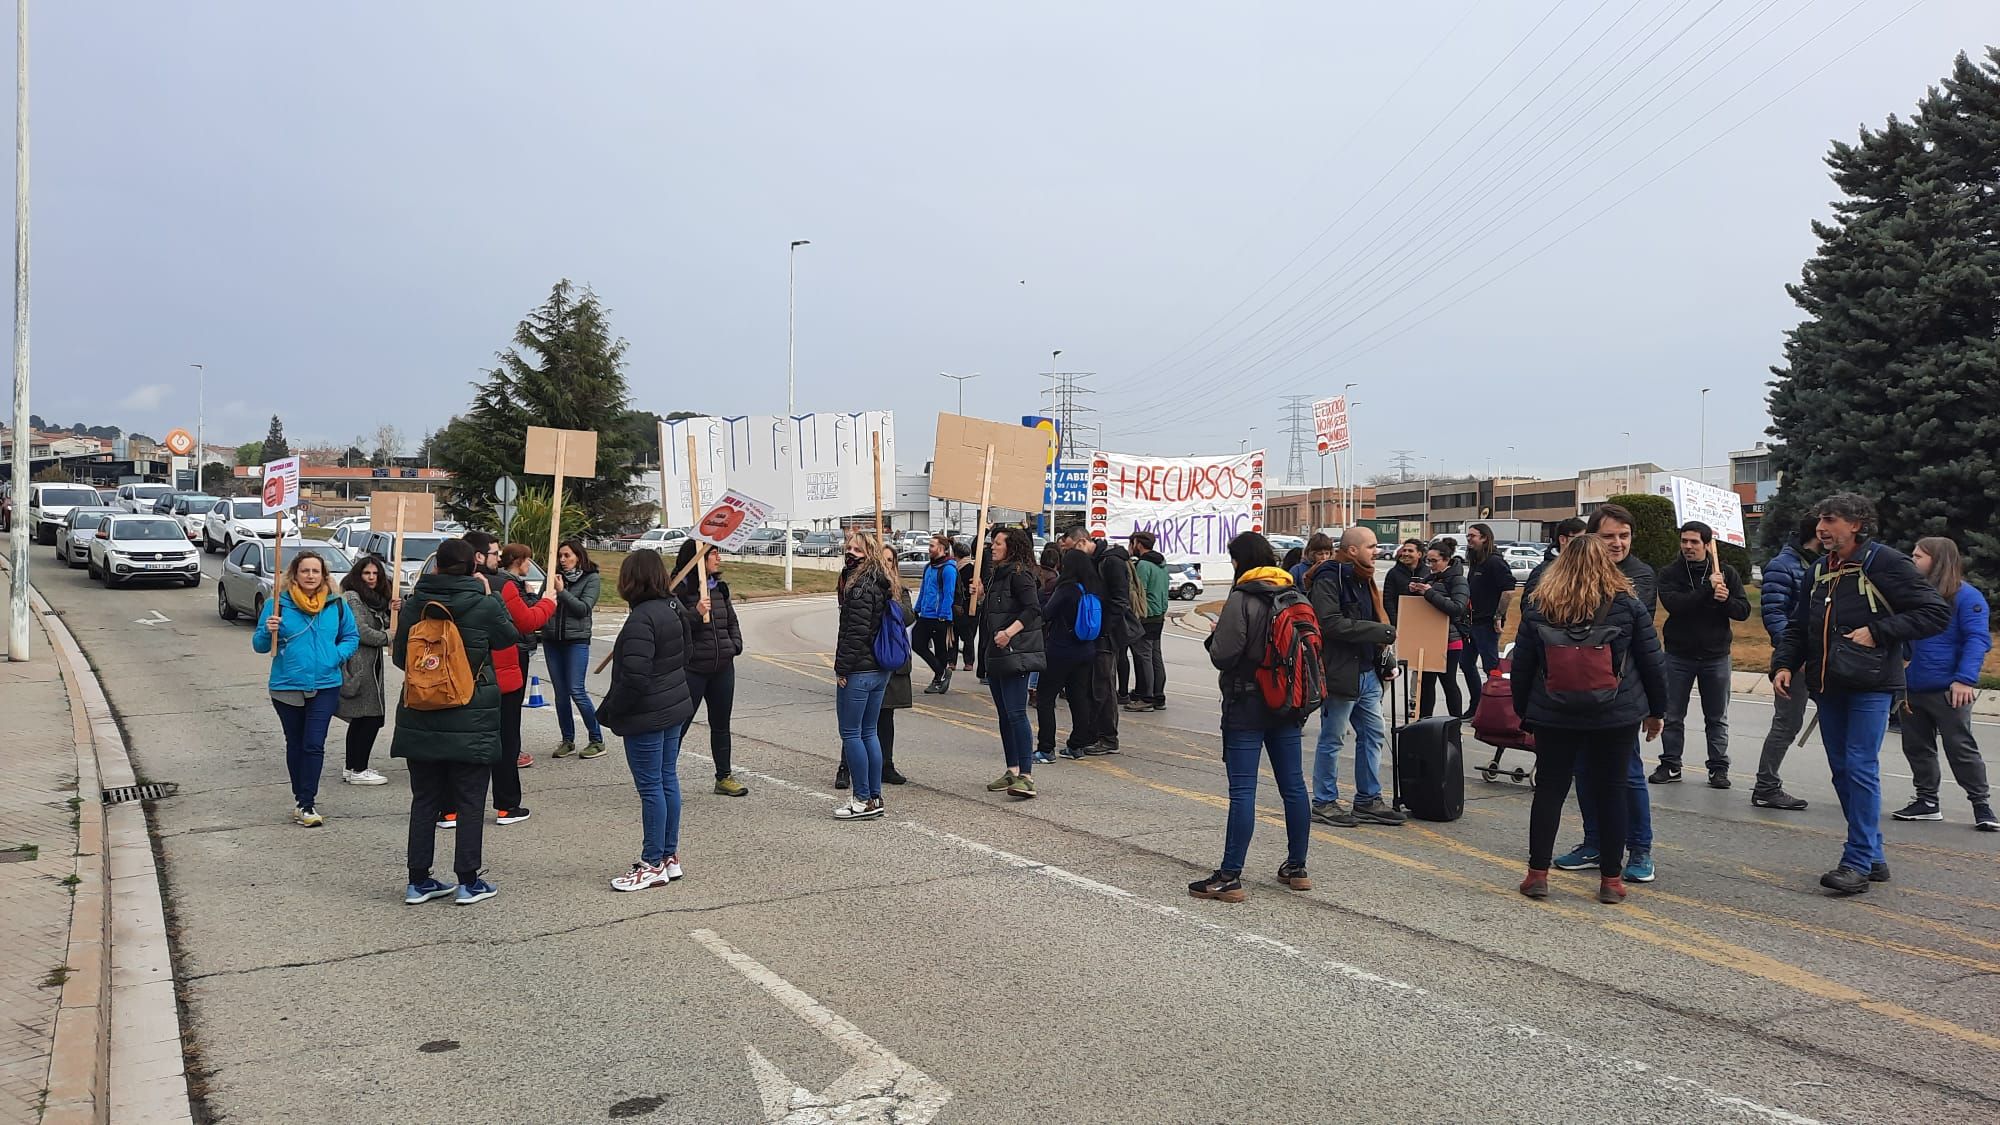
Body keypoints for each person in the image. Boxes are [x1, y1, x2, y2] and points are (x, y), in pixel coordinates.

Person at [1772, 493, 1950, 894]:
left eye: (1830, 520)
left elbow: (1935, 612)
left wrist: (1878, 631)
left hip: (1871, 684)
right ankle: (1872, 854)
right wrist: (1782, 664)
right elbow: (1799, 625)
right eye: (1820, 520)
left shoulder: (1885, 562)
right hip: (1827, 685)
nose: (1821, 528)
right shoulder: (1818, 569)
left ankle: (1855, 862)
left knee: (1859, 765)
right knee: (1842, 770)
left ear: (1856, 524)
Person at [1512, 534, 1668, 905]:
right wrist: (1657, 711)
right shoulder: (1627, 604)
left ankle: (1537, 874)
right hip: (1615, 711)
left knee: (1550, 790)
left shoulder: (1539, 604)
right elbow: (1651, 661)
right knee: (1612, 789)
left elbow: (1522, 665)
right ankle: (1611, 880)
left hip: (1554, 710)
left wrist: (1525, 711)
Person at [392, 538, 520, 905]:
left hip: (421, 712)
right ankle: (468, 880)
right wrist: (491, 595)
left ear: (436, 567)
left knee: (424, 800)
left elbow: (401, 658)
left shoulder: (417, 604)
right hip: (471, 714)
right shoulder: (481, 605)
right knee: (469, 800)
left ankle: (418, 880)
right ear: (472, 568)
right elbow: (510, 636)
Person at [1189, 532, 1313, 903]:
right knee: (1293, 787)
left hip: (1247, 702)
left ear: (1241, 560)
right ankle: (1297, 867)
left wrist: (1214, 637)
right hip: (1288, 702)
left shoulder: (1242, 597)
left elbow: (1225, 654)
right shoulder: (1294, 594)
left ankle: (1230, 876)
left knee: (1243, 791)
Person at [1551, 504, 1660, 882]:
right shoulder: (1570, 574)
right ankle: (1594, 842)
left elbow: (1632, 635)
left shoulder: (1639, 576)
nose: (1618, 544)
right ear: (1591, 538)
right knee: (1583, 769)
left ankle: (1640, 849)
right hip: (1576, 692)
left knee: (1626, 774)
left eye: (1624, 536)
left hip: (1620, 696)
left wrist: (1655, 707)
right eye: (1609, 536)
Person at [597, 549, 695, 891]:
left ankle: (652, 862)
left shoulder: (641, 619)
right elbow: (686, 654)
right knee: (666, 779)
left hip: (648, 712)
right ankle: (668, 857)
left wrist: (614, 711)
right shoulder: (673, 607)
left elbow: (635, 677)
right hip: (672, 705)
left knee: (652, 786)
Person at [1305, 527, 1405, 827]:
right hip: (1340, 673)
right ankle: (1324, 801)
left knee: (1373, 735)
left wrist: (1383, 655)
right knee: (1333, 739)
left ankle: (1367, 799)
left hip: (1366, 671)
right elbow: (1330, 623)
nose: (1378, 551)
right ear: (1351, 551)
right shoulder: (1328, 579)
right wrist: (1379, 632)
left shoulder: (1364, 580)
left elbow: (1368, 621)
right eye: (1372, 546)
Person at [1893, 536, 1994, 830]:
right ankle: (1927, 801)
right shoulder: (1915, 596)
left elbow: (1977, 640)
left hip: (1950, 688)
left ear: (1937, 561)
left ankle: (1982, 806)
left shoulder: (1967, 597)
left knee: (1961, 747)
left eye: (1918, 556)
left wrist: (1964, 680)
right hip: (1913, 686)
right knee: (1917, 746)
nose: (1912, 560)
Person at [254, 551, 361, 827]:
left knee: (314, 744)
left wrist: (335, 656)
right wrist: (268, 629)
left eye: (316, 571)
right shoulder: (277, 604)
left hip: (326, 684)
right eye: (305, 571)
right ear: (295, 574)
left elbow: (351, 636)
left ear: (324, 575)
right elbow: (260, 645)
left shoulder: (336, 604)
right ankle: (300, 797)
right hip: (287, 685)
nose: (311, 576)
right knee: (296, 743)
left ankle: (307, 803)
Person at [467, 543, 561, 828]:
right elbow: (525, 622)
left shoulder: (436, 587)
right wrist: (549, 601)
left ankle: (451, 809)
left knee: (462, 741)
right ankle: (506, 805)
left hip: (456, 676)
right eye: (495, 552)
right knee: (505, 739)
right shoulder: (501, 585)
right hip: (498, 673)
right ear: (480, 556)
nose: (499, 557)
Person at [1651, 521, 1750, 788]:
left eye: (1694, 542)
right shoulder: (1671, 573)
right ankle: (1671, 764)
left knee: (1716, 716)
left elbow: (1743, 611)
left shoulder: (1725, 572)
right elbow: (1676, 605)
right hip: (1678, 655)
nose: (1688, 547)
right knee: (1672, 715)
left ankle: (1718, 768)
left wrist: (1725, 599)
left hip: (1715, 655)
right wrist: (1707, 589)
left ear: (1707, 545)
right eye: (1684, 541)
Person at [1751, 516, 1820, 810]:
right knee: (1787, 723)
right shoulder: (1783, 565)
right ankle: (1766, 786)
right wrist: (1792, 655)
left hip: (1827, 658)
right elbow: (1775, 614)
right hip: (1796, 661)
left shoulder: (1827, 565)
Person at [675, 540, 747, 796]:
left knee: (721, 724)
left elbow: (732, 621)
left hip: (722, 667)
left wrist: (734, 645)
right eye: (713, 554)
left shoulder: (719, 589)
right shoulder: (678, 590)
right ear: (697, 560)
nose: (718, 558)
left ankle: (724, 776)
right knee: (680, 723)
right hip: (693, 669)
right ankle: (664, 776)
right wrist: (695, 612)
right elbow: (674, 628)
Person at [832, 528, 895, 819]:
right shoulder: (882, 583)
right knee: (869, 732)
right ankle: (874, 797)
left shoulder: (859, 588)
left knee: (851, 733)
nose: (850, 553)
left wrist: (842, 668)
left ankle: (861, 799)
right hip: (878, 669)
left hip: (859, 669)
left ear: (868, 555)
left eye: (857, 550)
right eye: (849, 548)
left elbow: (855, 633)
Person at [979, 526, 1045, 798]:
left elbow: (1033, 609)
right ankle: (1012, 769)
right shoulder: (999, 574)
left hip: (1014, 651)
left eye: (997, 543)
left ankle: (1027, 776)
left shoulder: (1020, 575)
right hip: (995, 652)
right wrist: (981, 594)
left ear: (1011, 546)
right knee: (1004, 715)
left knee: (1017, 713)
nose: (992, 547)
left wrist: (1009, 632)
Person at [337, 554, 398, 786]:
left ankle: (353, 766)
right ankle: (358, 768)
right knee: (369, 716)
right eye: (366, 573)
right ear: (357, 575)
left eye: (375, 573)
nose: (371, 578)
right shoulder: (353, 597)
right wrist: (387, 637)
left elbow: (380, 620)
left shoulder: (375, 599)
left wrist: (392, 610)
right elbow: (361, 630)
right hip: (360, 663)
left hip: (371, 663)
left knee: (363, 718)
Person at [543, 539, 606, 761]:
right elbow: (543, 605)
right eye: (560, 556)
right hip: (552, 640)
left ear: (578, 556)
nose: (563, 560)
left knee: (576, 690)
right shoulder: (552, 577)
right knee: (560, 694)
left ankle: (596, 739)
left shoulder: (592, 579)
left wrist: (562, 592)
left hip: (576, 641)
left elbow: (582, 609)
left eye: (567, 555)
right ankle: (567, 739)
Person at [1041, 548, 1106, 760]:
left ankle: (1046, 748)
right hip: (1086, 649)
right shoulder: (1092, 589)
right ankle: (1077, 745)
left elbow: (1047, 614)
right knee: (1078, 698)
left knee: (1045, 698)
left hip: (1061, 649)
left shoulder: (1066, 589)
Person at [1457, 523, 1517, 714]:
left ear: (1484, 538)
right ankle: (1477, 704)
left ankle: (1496, 707)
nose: (1469, 540)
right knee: (1466, 663)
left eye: (1472, 536)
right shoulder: (1477, 562)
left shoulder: (1494, 562)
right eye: (1468, 537)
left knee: (1492, 668)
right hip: (1471, 623)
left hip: (1487, 625)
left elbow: (1508, 590)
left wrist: (1498, 616)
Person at [1407, 544, 1470, 719]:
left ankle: (1455, 724)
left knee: (1448, 682)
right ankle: (1425, 722)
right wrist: (1415, 591)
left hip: (1450, 640)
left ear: (1447, 560)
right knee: (1426, 683)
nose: (1431, 565)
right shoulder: (1431, 578)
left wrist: (1429, 593)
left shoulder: (1458, 580)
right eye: (1428, 561)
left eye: (1435, 561)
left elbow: (1457, 608)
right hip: (1429, 639)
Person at [1094, 533, 1140, 752]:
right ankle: (1100, 734)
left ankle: (1108, 737)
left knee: (1104, 683)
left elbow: (1119, 600)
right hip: (1103, 633)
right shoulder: (1103, 560)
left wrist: (1104, 628)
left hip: (1108, 634)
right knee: (1100, 683)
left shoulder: (1111, 562)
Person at [876, 544, 916, 786]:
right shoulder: (865, 588)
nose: (886, 564)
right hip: (870, 659)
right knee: (862, 717)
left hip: (892, 658)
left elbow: (909, 617)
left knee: (886, 715)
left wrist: (892, 597)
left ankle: (886, 764)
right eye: (882, 560)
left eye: (890, 560)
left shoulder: (900, 591)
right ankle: (848, 765)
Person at [1127, 532, 1170, 712]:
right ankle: (1158, 694)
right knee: (1155, 655)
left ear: (1138, 543)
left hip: (1146, 615)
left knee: (1143, 656)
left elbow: (1138, 591)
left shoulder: (1144, 565)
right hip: (1159, 613)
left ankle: (1147, 697)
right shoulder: (1162, 564)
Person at [913, 533, 959, 694]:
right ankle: (941, 672)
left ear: (942, 549)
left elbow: (949, 594)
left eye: (932, 546)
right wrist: (917, 609)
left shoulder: (948, 569)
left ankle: (938, 678)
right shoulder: (929, 567)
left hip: (939, 616)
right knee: (917, 643)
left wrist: (944, 615)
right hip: (925, 614)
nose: (929, 548)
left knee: (941, 650)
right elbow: (924, 590)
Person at [1523, 519, 1586, 597]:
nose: (1585, 544)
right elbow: (1531, 603)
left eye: (1587, 539)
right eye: (1580, 540)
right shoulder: (1543, 572)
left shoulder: (1590, 568)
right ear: (1563, 540)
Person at [950, 538, 978, 673]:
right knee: (968, 636)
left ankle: (953, 661)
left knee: (957, 636)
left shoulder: (961, 569)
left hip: (963, 605)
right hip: (966, 606)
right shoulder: (972, 568)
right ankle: (968, 662)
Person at [1382, 539, 1424, 623]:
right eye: (1404, 550)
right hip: (1401, 620)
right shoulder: (1393, 573)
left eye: (1410, 551)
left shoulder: (1427, 572)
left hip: (1423, 619)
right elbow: (1388, 600)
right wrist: (1396, 621)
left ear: (1419, 554)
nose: (1406, 554)